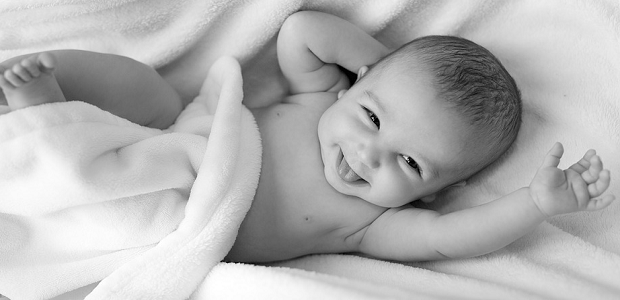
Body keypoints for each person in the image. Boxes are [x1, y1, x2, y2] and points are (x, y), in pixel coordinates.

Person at [0, 11, 614, 263]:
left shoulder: (370, 222)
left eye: (408, 162)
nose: (366, 153)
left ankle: (50, 133)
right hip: (180, 138)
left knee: (121, 207)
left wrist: (535, 203)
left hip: (183, 218)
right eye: (373, 118)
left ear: (426, 195)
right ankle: (57, 103)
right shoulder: (321, 97)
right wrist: (384, 67)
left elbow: (454, 237)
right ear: (354, 87)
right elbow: (300, 31)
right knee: (145, 90)